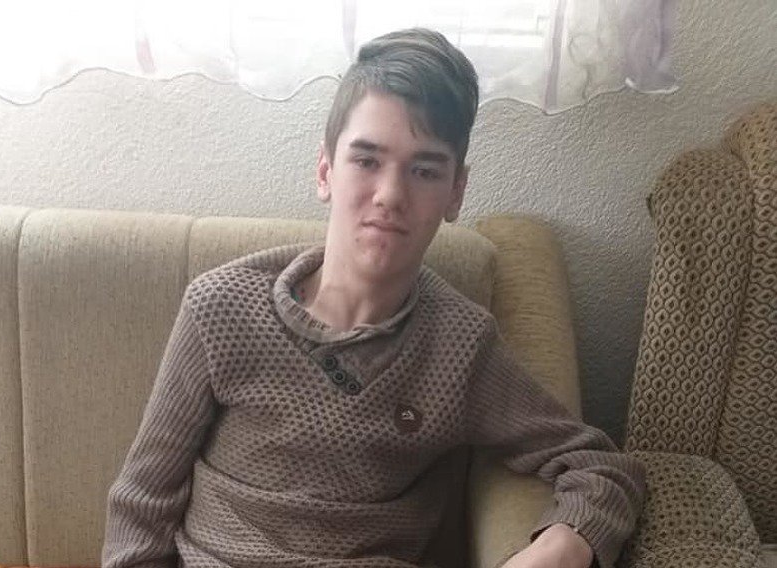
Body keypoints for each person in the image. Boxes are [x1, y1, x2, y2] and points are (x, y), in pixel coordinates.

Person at [102, 28, 644, 568]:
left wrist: (561, 545)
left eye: (424, 171)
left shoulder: (458, 346)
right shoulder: (221, 308)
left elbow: (601, 467)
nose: (390, 195)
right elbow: (141, 507)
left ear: (456, 192)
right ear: (325, 171)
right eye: (367, 161)